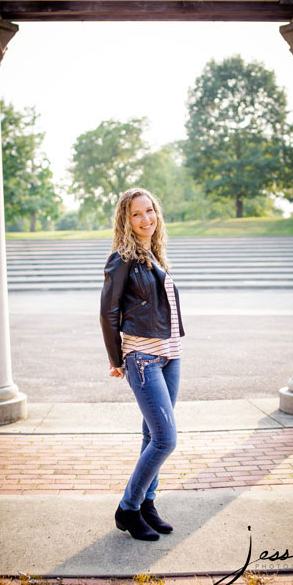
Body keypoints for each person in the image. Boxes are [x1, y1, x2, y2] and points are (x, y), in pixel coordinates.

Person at [100, 187, 185, 542]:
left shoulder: (156, 255)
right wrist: (117, 359)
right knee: (166, 439)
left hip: (170, 355)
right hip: (142, 358)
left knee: (152, 435)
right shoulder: (122, 260)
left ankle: (148, 504)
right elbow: (108, 312)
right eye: (137, 214)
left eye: (149, 211)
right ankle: (128, 508)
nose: (146, 218)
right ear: (126, 219)